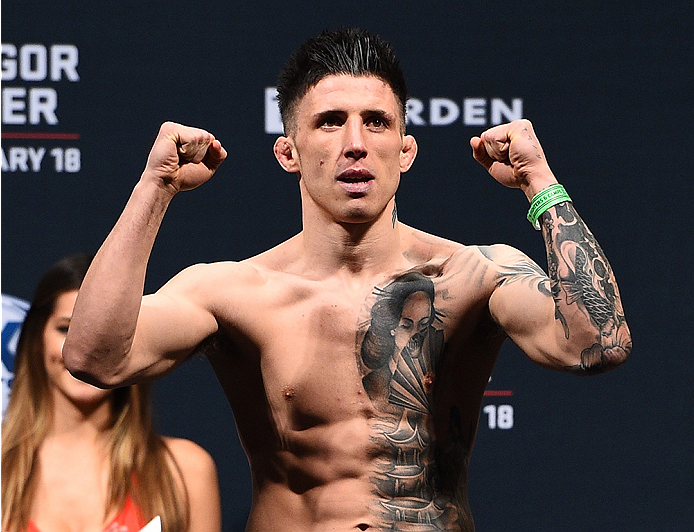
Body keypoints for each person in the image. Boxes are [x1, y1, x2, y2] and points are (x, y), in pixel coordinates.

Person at [62, 28, 632, 532]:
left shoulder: (474, 276)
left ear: (405, 150)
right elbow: (95, 357)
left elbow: (598, 344)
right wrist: (156, 186)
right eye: (330, 122)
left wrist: (539, 181)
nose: (355, 143)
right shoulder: (234, 291)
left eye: (376, 122)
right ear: (289, 152)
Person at [1, 253, 221, 532]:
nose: (85, 351)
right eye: (67, 329)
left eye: (106, 334)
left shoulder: (185, 470)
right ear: (36, 340)